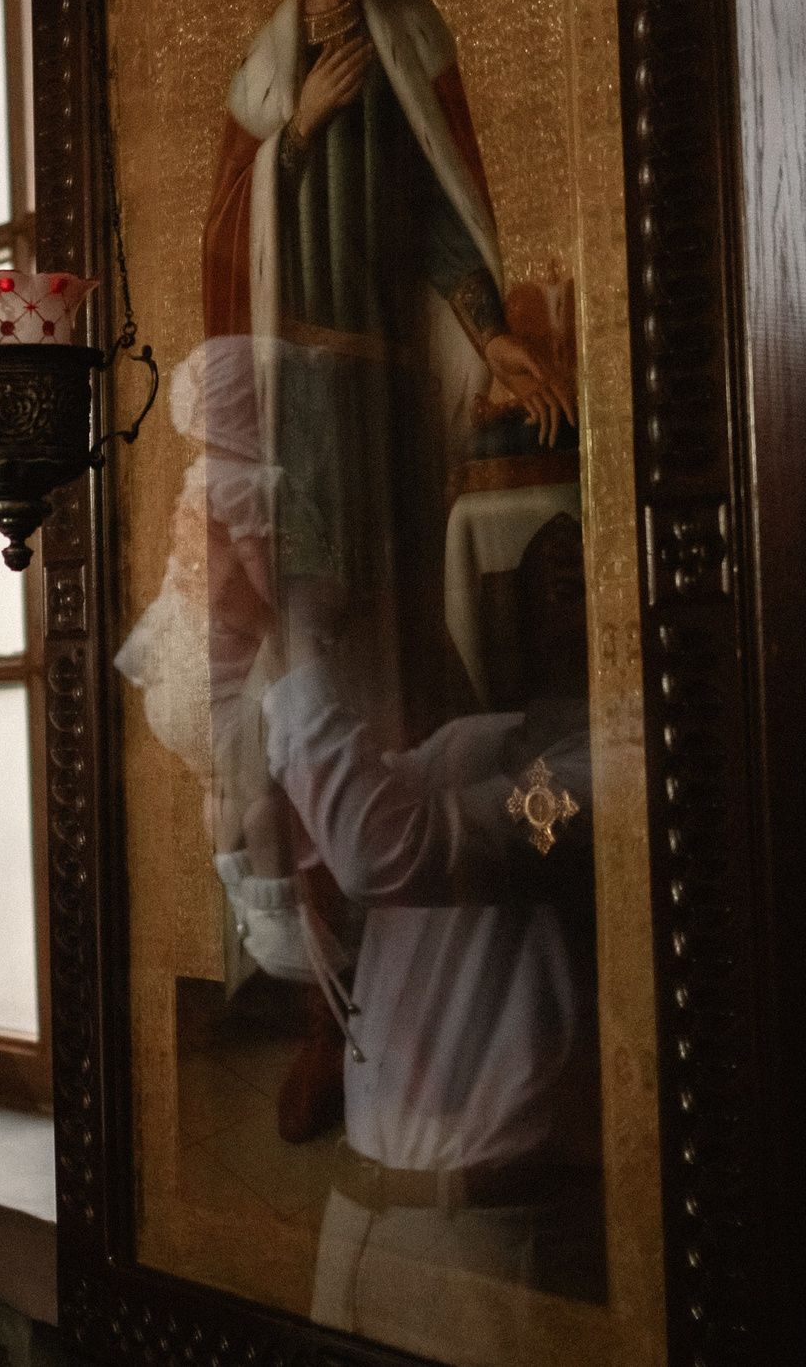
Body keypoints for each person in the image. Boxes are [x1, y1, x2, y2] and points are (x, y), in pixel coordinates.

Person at [197, 0, 573, 743]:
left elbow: (443, 212)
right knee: (320, 619)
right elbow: (224, 241)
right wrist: (301, 129)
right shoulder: (266, 67)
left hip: (395, 391)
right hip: (305, 401)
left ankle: (422, 800)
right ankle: (335, 809)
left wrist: (492, 335)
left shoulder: (405, 30)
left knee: (405, 617)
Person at [264, 512, 604, 1364]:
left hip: (479, 1236)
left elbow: (385, 851)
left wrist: (294, 646)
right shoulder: (468, 744)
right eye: (544, 592)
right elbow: (330, 845)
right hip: (359, 1211)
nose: (562, 612)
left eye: (583, 587)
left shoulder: (598, 770)